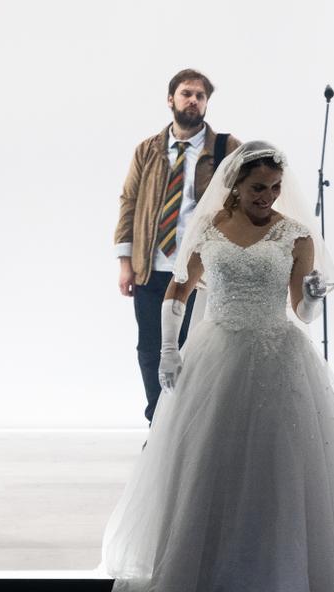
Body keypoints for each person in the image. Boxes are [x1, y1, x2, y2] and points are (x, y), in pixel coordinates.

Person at [102, 142, 334, 592]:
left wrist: (311, 295)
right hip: (218, 356)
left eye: (272, 188)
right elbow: (178, 292)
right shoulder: (207, 231)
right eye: (256, 188)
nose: (266, 197)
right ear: (236, 187)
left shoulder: (294, 235)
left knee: (282, 481)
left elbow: (302, 309)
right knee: (219, 478)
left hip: (276, 357)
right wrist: (167, 352)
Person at [115, 69, 240, 424]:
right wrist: (125, 262)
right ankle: (159, 425)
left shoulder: (225, 149)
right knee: (150, 350)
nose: (193, 101)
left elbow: (245, 199)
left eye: (200, 96)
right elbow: (129, 202)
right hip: (151, 266)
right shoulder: (148, 150)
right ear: (171, 99)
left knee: (193, 351)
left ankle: (188, 427)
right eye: (186, 93)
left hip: (199, 271)